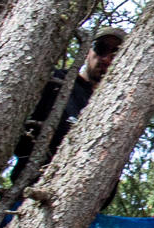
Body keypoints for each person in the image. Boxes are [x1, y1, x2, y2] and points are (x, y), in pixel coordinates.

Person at [12, 26, 125, 186]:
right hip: (31, 183)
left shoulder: (117, 106)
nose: (106, 59)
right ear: (88, 51)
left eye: (116, 54)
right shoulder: (56, 81)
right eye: (101, 49)